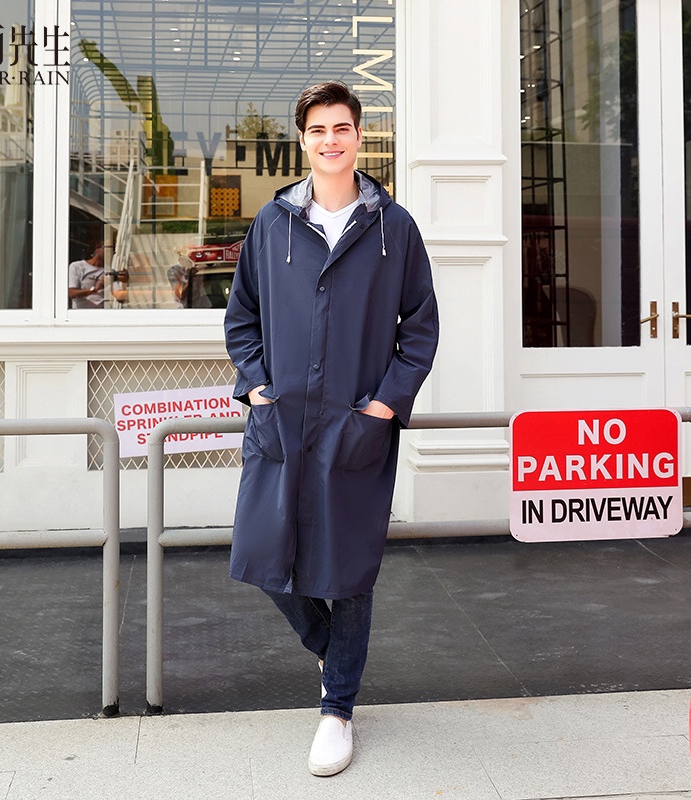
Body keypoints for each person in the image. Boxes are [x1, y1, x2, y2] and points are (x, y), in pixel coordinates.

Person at [224, 81, 439, 777]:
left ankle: (337, 708)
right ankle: (331, 651)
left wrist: (383, 406)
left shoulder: (393, 229)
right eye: (318, 130)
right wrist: (255, 385)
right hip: (282, 424)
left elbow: (421, 331)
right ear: (304, 140)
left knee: (348, 573)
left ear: (358, 136)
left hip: (353, 423)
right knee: (264, 557)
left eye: (342, 127)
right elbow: (242, 318)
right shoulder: (273, 224)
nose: (330, 140)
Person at [68, 241, 105, 308]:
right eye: (105, 247)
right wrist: (95, 289)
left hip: (104, 314)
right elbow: (71, 293)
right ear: (97, 248)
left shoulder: (110, 271)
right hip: (82, 314)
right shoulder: (77, 266)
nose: (109, 251)